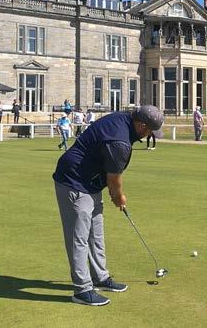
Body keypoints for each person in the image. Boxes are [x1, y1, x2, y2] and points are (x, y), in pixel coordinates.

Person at [52, 105, 164, 306]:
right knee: (79, 237)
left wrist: (114, 194)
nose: (149, 135)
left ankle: (100, 278)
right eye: (149, 131)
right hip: (74, 181)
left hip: (91, 182)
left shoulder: (126, 120)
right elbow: (114, 180)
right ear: (141, 125)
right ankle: (82, 289)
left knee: (96, 232)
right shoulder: (119, 142)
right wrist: (118, 197)